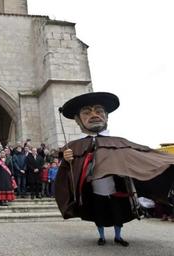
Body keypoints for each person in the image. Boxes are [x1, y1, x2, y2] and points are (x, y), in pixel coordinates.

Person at [55, 91, 174, 247]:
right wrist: (66, 160)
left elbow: (146, 157)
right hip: (93, 191)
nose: (94, 115)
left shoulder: (120, 142)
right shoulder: (74, 146)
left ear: (106, 116)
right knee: (99, 214)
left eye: (99, 111)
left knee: (118, 214)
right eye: (86, 112)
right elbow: (67, 173)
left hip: (117, 189)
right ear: (78, 120)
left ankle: (118, 236)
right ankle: (102, 236)